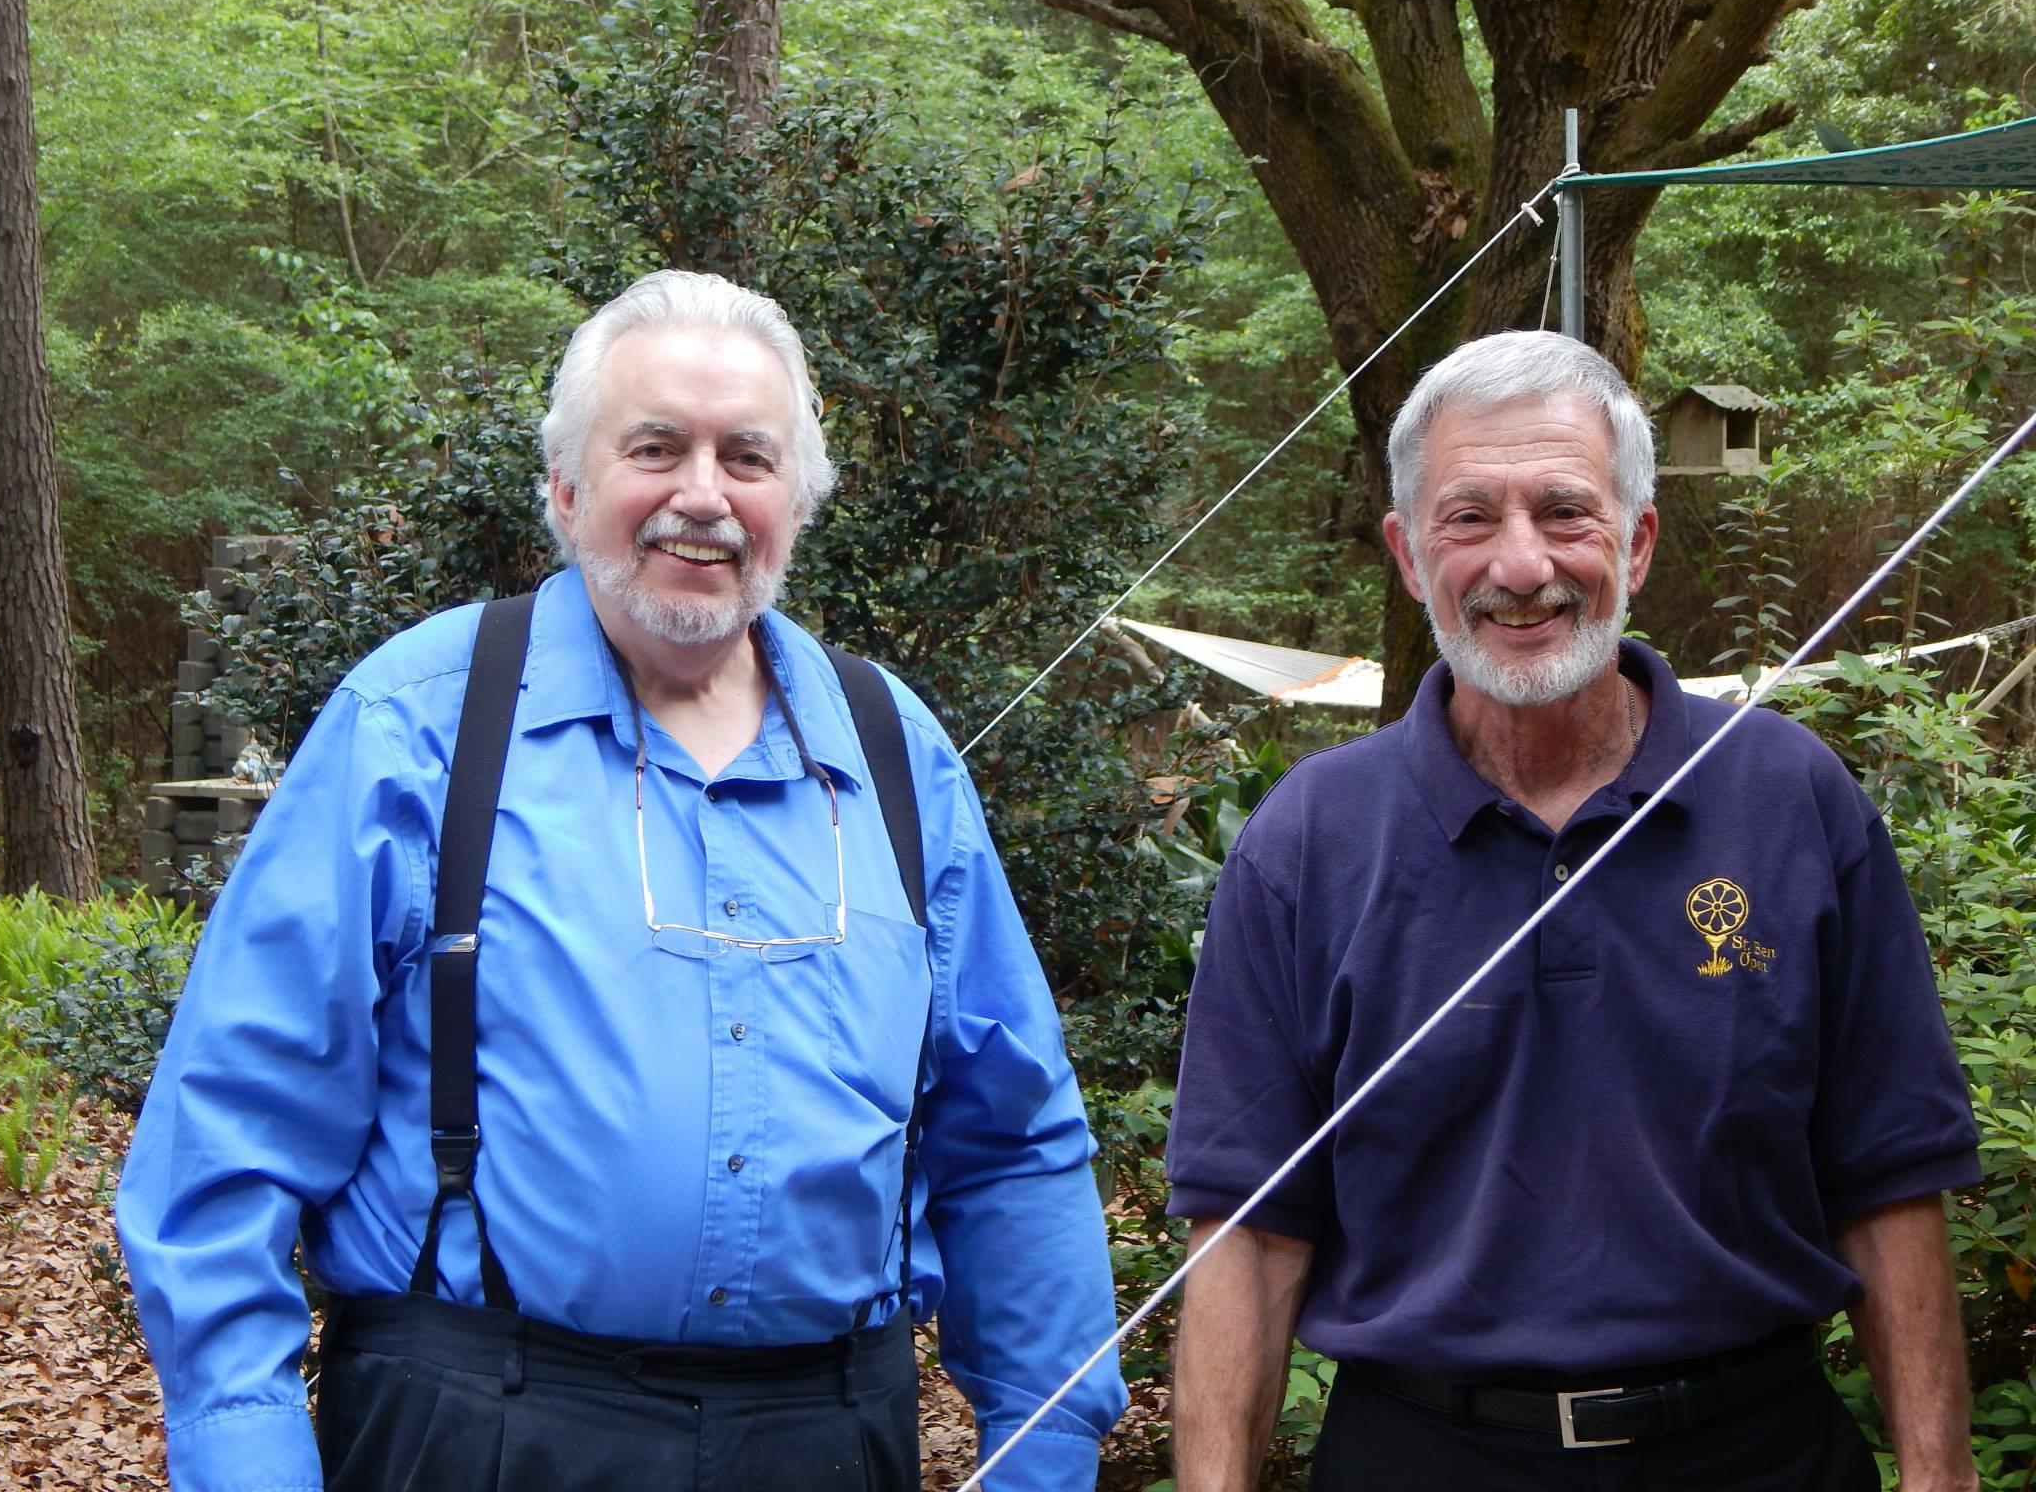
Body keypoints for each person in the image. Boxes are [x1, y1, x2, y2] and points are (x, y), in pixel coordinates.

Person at [118, 269, 1126, 1492]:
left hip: (827, 1440)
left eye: (747, 457)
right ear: (566, 487)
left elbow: (1011, 1137)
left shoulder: (894, 753)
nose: (702, 494)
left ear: (796, 503)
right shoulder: (416, 727)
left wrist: (1043, 1447)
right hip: (476, 1432)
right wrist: (247, 1455)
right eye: (655, 447)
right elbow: (227, 1133)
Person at [1163, 330, 1980, 1491]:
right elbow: (1245, 1232)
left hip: (1754, 1452)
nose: (1519, 564)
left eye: (1563, 512)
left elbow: (1889, 1177)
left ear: (1635, 541)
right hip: (1422, 1458)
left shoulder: (1789, 797)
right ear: (1406, 555)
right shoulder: (1306, 840)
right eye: (1467, 518)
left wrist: (1941, 1478)